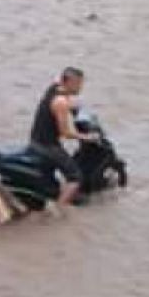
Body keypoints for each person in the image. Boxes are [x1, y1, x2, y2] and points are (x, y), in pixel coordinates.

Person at [29, 67, 98, 207]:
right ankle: (59, 210)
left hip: (36, 141)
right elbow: (65, 133)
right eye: (78, 84)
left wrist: (75, 108)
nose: (80, 87)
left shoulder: (55, 89)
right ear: (69, 83)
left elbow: (67, 100)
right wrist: (86, 137)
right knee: (76, 177)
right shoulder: (60, 102)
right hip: (47, 146)